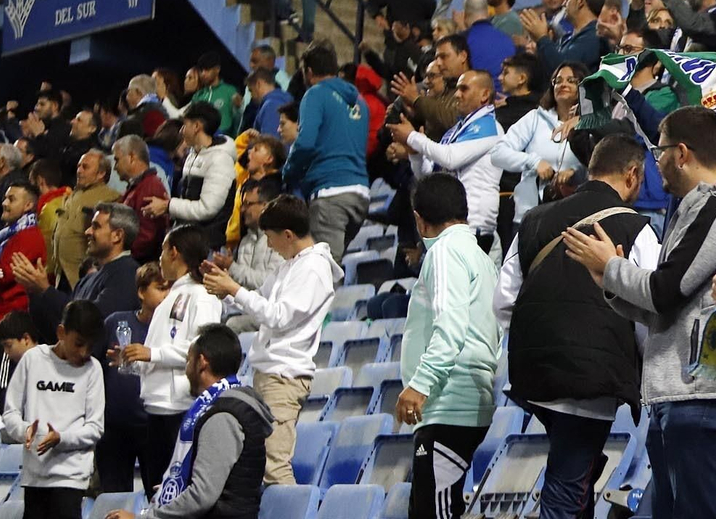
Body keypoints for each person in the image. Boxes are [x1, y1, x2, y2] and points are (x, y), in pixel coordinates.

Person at [565, 107, 716, 519]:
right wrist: (609, 278)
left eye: (659, 151)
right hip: (676, 389)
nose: (654, 164)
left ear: (681, 154)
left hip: (706, 388)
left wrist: (610, 268)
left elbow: (665, 289)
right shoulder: (696, 208)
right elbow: (670, 302)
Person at [496, 136, 657, 519]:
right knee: (566, 488)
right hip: (591, 375)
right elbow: (650, 308)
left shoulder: (534, 218)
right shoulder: (634, 225)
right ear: (632, 175)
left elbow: (503, 300)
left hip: (533, 369)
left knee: (576, 465)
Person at [77, 324, 274, 519]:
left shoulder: (222, 415)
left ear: (202, 363)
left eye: (188, 360)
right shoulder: (211, 407)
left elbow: (202, 497)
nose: (186, 368)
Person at [395, 173, 501, 519]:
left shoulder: (444, 253)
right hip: (459, 396)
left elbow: (451, 327)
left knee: (436, 513)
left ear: (420, 220)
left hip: (450, 398)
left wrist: (419, 385)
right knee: (429, 511)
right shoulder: (477, 255)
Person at [201, 194, 340, 486]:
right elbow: (260, 302)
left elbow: (278, 317)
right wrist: (226, 289)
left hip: (285, 376)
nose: (269, 244)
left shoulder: (313, 268)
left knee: (275, 465)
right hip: (267, 372)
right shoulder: (289, 264)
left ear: (288, 235)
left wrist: (234, 288)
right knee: (261, 463)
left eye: (270, 237)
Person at [117, 225, 222, 498]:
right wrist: (133, 361)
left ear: (173, 252)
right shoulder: (169, 299)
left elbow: (203, 349)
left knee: (176, 493)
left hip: (181, 410)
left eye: (162, 251)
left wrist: (151, 354)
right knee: (156, 493)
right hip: (156, 410)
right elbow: (157, 352)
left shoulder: (202, 295)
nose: (160, 258)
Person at [0, 300, 104, 519]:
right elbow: (10, 414)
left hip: (70, 478)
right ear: (61, 332)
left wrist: (62, 439)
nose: (84, 352)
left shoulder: (93, 370)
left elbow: (95, 428)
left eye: (90, 346)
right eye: (78, 343)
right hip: (35, 477)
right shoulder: (33, 360)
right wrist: (25, 431)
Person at [391, 70, 502, 253]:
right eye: (457, 89)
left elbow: (450, 158)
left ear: (484, 95)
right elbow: (429, 175)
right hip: (453, 227)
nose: (457, 94)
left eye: (464, 89)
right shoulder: (456, 131)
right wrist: (415, 154)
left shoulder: (489, 127)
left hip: (474, 227)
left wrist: (412, 137)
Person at [282, 46, 370, 262]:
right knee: (329, 268)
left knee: (320, 274)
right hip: (360, 194)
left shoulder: (315, 94)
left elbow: (305, 144)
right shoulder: (360, 101)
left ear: (309, 72)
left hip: (331, 193)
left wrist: (288, 173)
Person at [19, 201, 139, 344]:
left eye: (96, 226)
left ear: (117, 235)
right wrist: (36, 292)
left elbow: (91, 324)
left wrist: (46, 290)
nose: (87, 232)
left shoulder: (127, 274)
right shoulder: (87, 280)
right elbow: (58, 332)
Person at [97, 264, 169, 493]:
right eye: (160, 288)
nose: (167, 296)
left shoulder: (175, 331)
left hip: (155, 426)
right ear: (141, 292)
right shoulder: (115, 321)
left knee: (158, 496)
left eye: (170, 289)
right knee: (112, 497)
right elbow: (94, 367)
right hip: (113, 429)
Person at [491, 62, 586, 222]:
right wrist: (534, 162)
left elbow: (599, 164)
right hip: (530, 216)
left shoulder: (593, 124)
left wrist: (576, 172)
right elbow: (498, 153)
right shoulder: (535, 118)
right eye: (558, 80)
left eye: (571, 81)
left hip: (574, 217)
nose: (563, 84)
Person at [145, 102, 236, 250]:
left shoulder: (220, 160)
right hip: (189, 243)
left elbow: (207, 209)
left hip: (206, 247)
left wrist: (168, 205)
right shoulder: (193, 155)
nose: (181, 131)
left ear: (197, 126)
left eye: (184, 125)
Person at [45, 149, 121, 290]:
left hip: (84, 275)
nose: (79, 171)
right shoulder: (72, 195)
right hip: (61, 274)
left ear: (101, 173)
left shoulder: (110, 198)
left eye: (85, 167)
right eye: (79, 166)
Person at [0, 184, 48, 330]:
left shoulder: (29, 237)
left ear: (28, 205)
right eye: (5, 198)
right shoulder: (8, 234)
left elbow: (7, 273)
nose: (4, 203)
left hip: (8, 319)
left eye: (11, 199)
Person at [113, 135, 169, 260]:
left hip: (139, 264)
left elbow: (147, 236)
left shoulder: (150, 187)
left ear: (132, 157)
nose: (115, 167)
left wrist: (121, 256)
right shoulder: (140, 186)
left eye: (117, 160)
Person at [188, 53, 241, 136]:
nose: (203, 74)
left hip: (225, 141)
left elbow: (238, 120)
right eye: (201, 70)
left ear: (217, 69)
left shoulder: (230, 91)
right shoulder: (198, 96)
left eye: (207, 69)